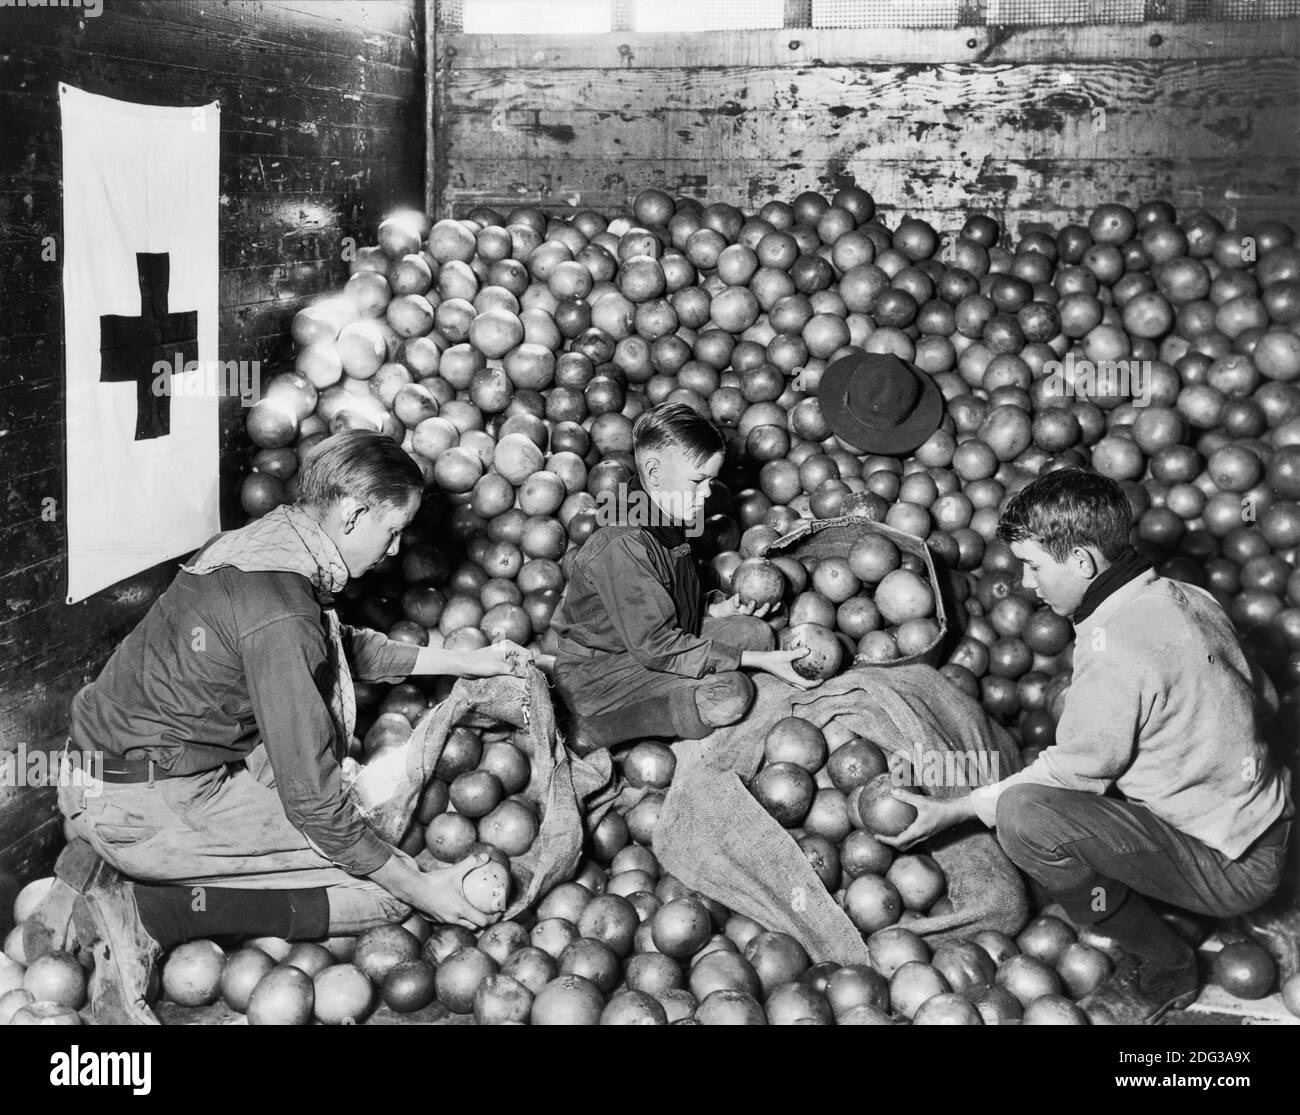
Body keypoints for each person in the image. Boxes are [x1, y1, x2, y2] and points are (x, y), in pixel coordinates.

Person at [29, 430, 532, 1024]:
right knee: (382, 892)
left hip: (121, 768)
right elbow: (317, 808)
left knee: (359, 834)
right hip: (143, 801)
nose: (396, 550)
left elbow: (337, 649)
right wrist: (423, 890)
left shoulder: (270, 544)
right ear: (352, 513)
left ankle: (107, 860)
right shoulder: (283, 611)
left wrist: (467, 662)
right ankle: (152, 911)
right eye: (391, 530)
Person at [881, 468, 1293, 1024]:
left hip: (1234, 866)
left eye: (1033, 566)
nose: (1027, 583)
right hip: (1272, 819)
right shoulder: (1185, 596)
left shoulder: (1115, 649)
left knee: (1025, 817)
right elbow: (1261, 698)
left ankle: (1168, 964)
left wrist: (955, 809)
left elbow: (1076, 774)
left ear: (1080, 562)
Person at [551, 402, 818, 755]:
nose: (707, 493)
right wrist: (751, 661)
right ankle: (595, 729)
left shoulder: (666, 518)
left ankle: (683, 688)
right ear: (655, 472)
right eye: (698, 481)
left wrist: (712, 609)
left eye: (711, 481)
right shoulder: (622, 544)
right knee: (729, 695)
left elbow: (666, 596)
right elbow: (656, 646)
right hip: (598, 675)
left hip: (645, 647)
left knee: (755, 633)